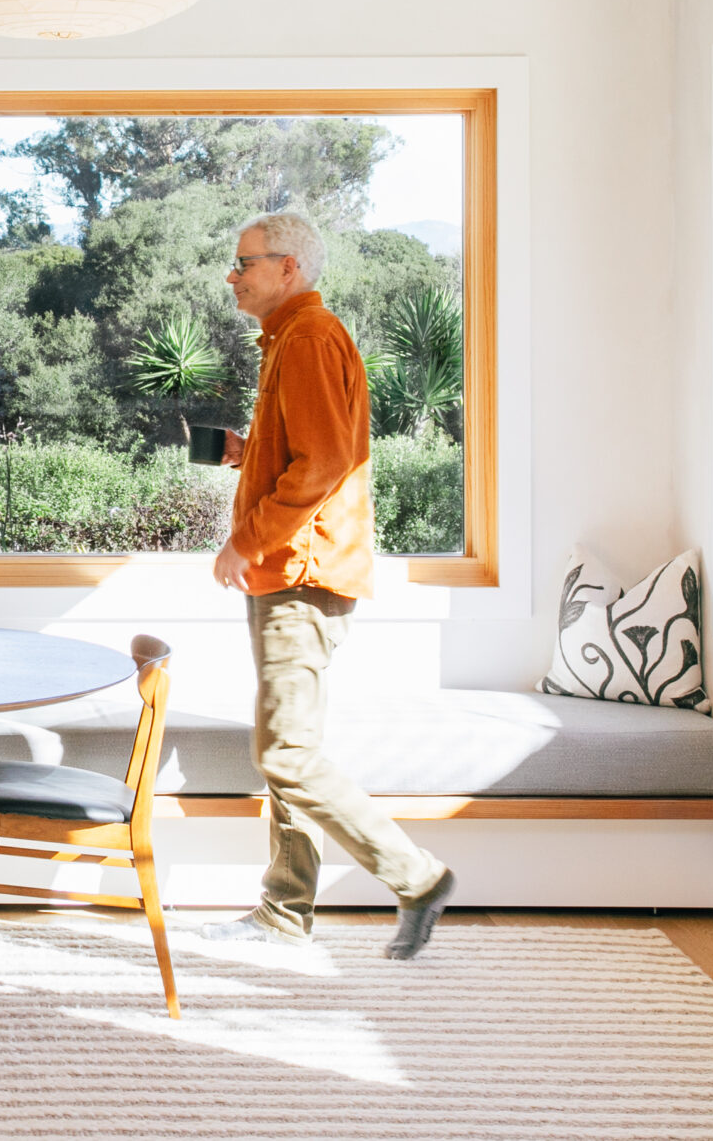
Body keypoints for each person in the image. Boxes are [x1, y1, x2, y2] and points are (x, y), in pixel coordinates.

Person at [205, 211, 457, 959]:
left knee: (284, 755)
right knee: (294, 746)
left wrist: (242, 541)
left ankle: (416, 875)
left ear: (288, 268)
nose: (233, 274)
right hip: (292, 573)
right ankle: (284, 912)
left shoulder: (310, 339)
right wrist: (242, 454)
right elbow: (304, 450)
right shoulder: (291, 340)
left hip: (298, 575)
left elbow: (321, 467)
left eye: (244, 261)